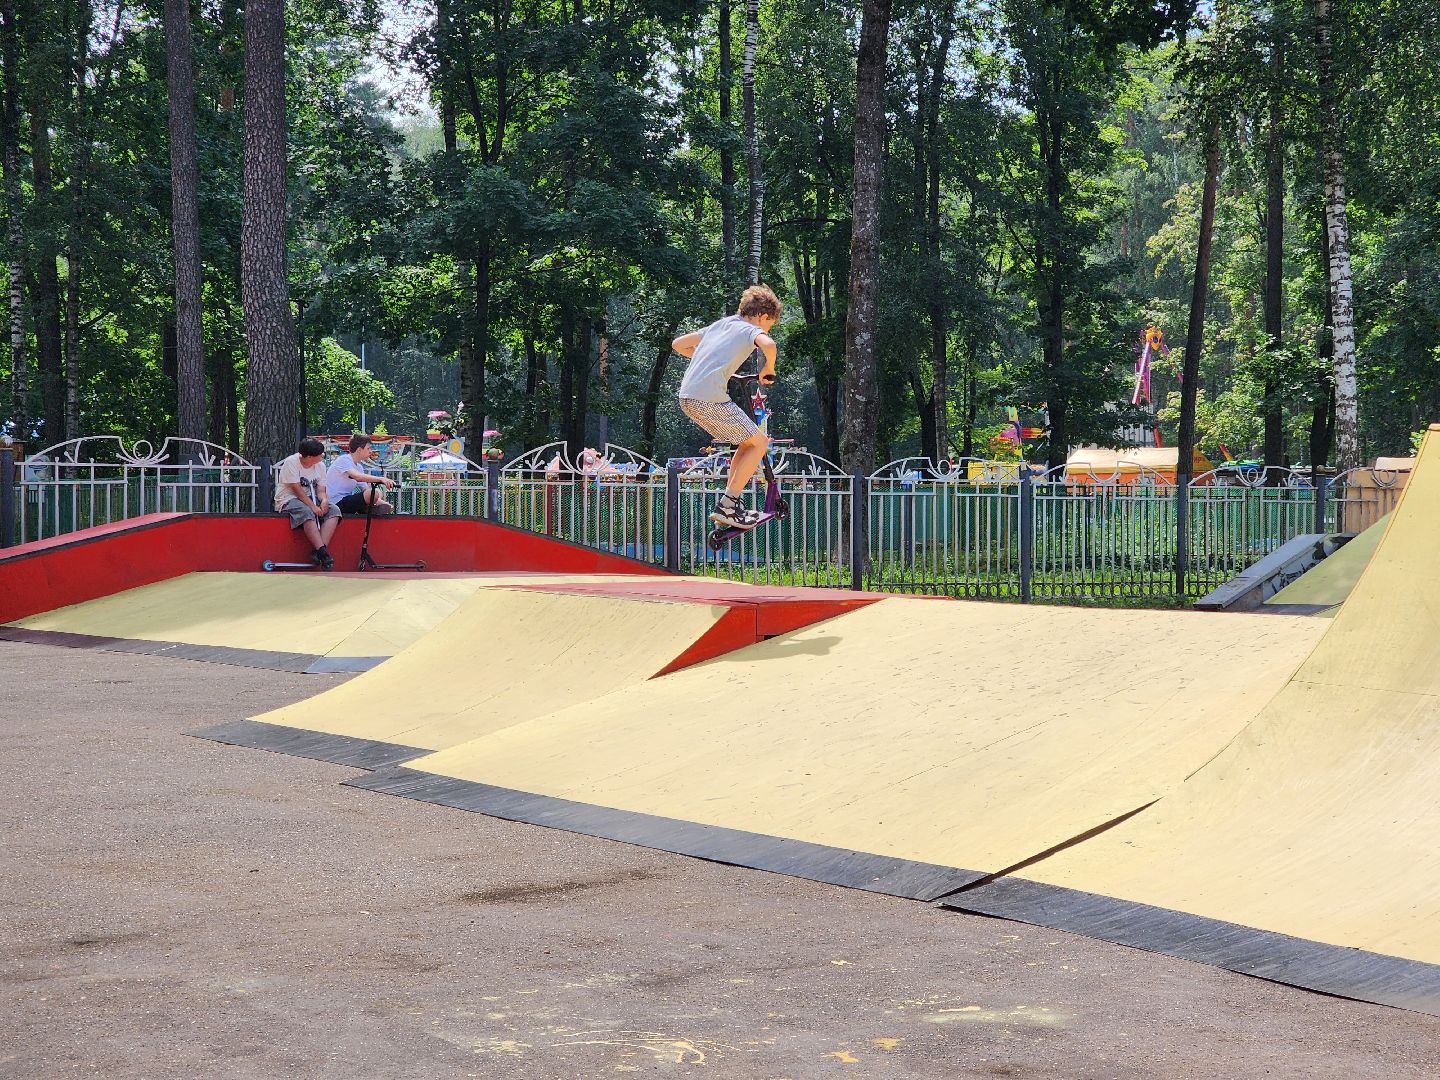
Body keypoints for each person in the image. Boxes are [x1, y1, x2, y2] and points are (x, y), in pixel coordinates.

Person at [673, 283, 782, 529]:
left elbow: (679, 344)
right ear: (763, 316)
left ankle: (729, 502)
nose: (766, 329)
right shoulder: (748, 329)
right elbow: (769, 345)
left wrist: (711, 360)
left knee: (748, 442)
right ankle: (729, 504)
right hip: (708, 398)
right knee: (761, 442)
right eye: (769, 324)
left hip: (687, 398)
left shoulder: (720, 325)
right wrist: (768, 368)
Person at [274, 437, 340, 569]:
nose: (322, 456)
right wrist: (313, 507)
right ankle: (324, 553)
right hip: (289, 498)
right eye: (319, 454)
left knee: (334, 511)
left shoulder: (320, 466)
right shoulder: (291, 462)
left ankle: (320, 551)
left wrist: (324, 501)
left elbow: (321, 489)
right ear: (309, 457)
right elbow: (296, 489)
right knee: (306, 512)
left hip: (313, 497)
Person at [326, 433, 397, 517]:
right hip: (335, 504)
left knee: (376, 491)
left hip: (347, 501)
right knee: (373, 493)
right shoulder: (344, 459)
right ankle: (366, 509)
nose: (371, 451)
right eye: (368, 448)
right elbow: (357, 477)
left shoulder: (359, 467)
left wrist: (385, 504)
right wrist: (381, 479)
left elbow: (365, 490)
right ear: (359, 450)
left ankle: (369, 508)